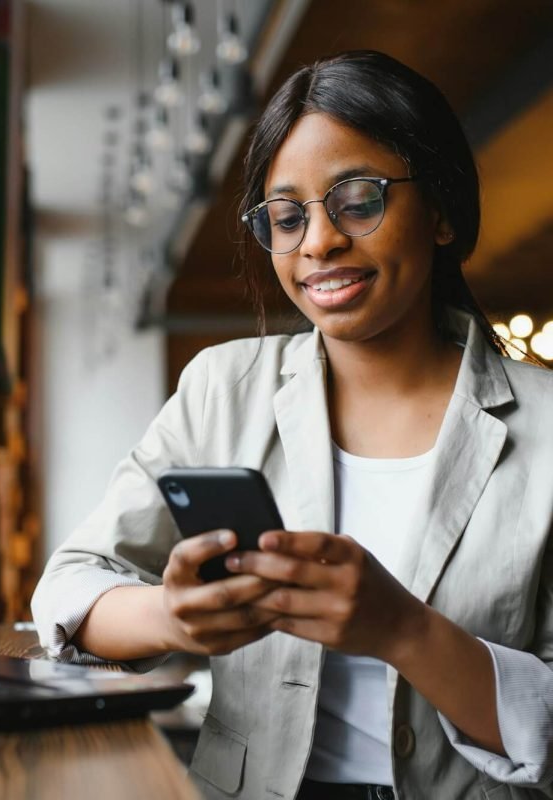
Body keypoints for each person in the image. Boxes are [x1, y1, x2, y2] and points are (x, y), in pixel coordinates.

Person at [31, 50, 553, 799]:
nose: (318, 242)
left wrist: (404, 630)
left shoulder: (545, 426)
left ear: (441, 211)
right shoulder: (222, 390)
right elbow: (69, 586)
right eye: (286, 216)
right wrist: (175, 618)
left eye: (359, 201)